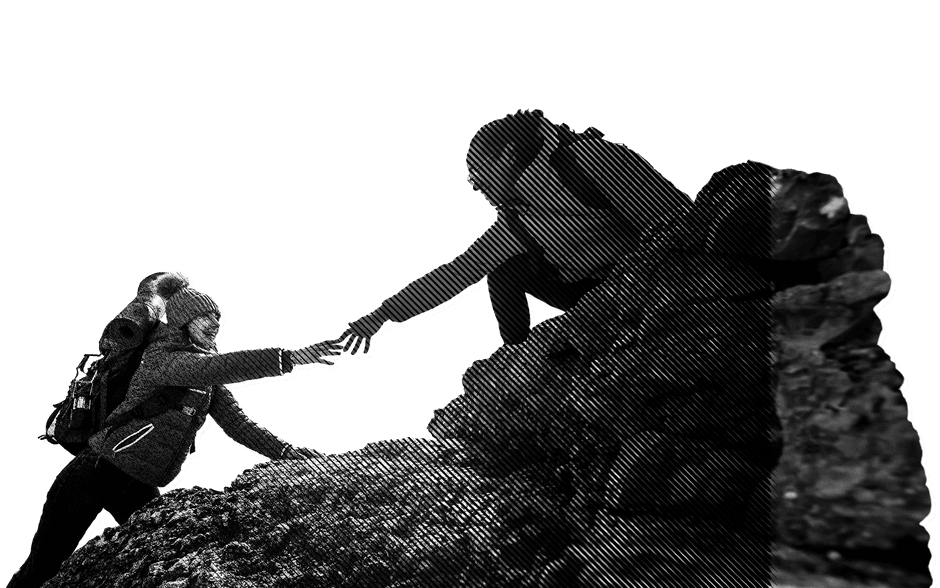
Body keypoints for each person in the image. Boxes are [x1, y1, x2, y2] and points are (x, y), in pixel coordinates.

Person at [9, 287, 337, 588]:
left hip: (136, 486)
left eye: (219, 319)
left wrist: (286, 451)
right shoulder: (161, 357)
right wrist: (291, 358)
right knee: (42, 571)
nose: (215, 324)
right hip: (93, 474)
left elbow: (239, 425)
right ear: (183, 320)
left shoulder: (206, 374)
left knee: (164, 554)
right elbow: (217, 367)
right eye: (205, 316)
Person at [336, 109, 692, 356]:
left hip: (657, 281)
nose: (477, 188)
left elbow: (677, 220)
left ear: (506, 156)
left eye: (478, 177)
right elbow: (457, 273)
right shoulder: (517, 220)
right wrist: (383, 315)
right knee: (505, 271)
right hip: (596, 298)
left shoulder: (590, 160)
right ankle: (521, 360)